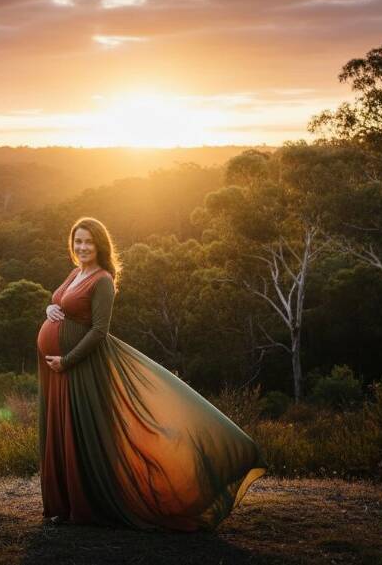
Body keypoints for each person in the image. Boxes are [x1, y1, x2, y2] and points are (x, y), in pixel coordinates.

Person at [36, 216, 268, 532]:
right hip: (58, 369)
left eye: (89, 241)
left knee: (81, 433)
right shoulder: (76, 272)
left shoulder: (102, 280)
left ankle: (86, 505)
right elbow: (60, 303)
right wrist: (50, 309)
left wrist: (67, 360)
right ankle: (64, 505)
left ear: (100, 245)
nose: (83, 246)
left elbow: (100, 331)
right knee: (64, 431)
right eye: (78, 241)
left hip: (81, 367)